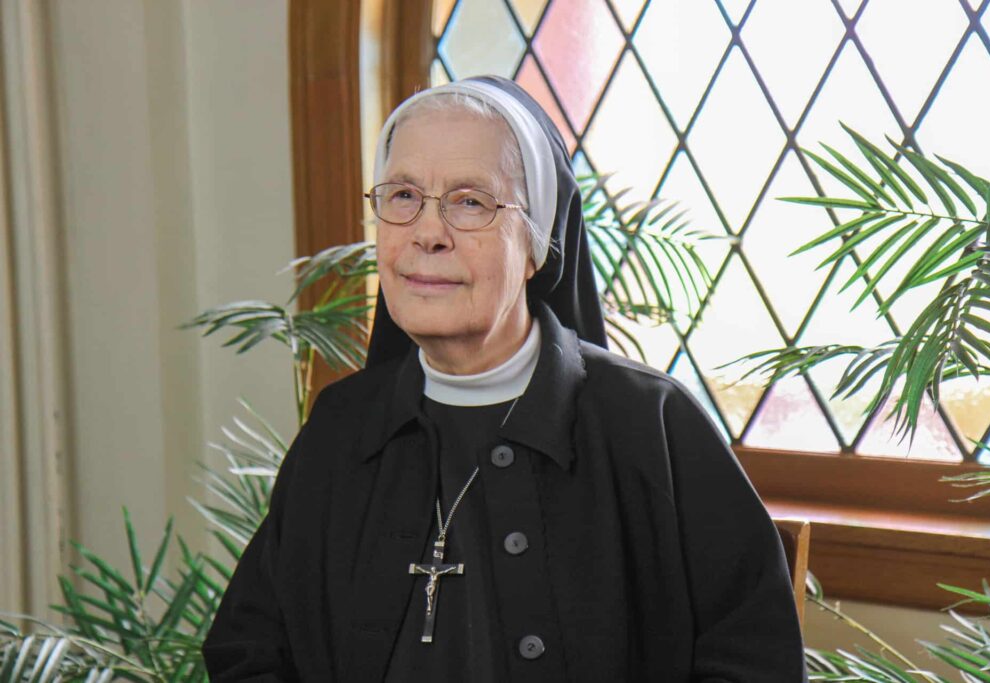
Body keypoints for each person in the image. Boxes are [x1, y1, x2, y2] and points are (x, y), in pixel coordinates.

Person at [202, 75, 808, 682]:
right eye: (403, 195)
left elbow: (755, 664)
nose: (427, 234)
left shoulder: (653, 425)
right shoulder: (340, 430)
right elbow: (249, 653)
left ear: (537, 244)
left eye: (470, 202)